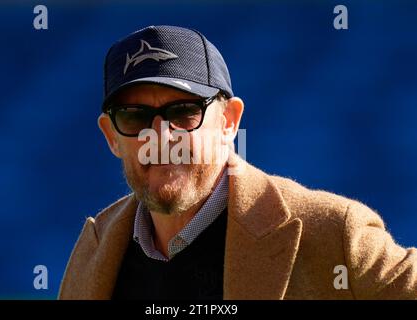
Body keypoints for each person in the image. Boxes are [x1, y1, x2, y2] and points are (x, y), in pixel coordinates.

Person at [58, 25, 417, 300]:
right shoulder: (94, 250)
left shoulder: (336, 236)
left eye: (183, 112)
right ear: (111, 136)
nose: (162, 138)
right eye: (135, 117)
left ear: (229, 121)